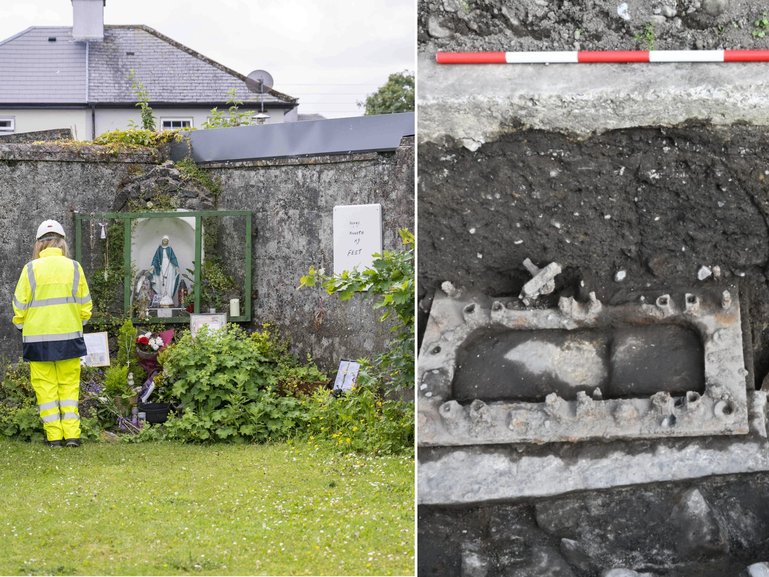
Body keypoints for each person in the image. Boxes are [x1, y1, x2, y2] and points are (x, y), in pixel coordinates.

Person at [12, 219, 92, 447]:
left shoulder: (30, 269)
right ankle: (72, 436)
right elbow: (86, 306)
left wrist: (22, 326)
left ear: (39, 244)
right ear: (62, 243)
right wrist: (76, 322)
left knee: (46, 390)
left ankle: (54, 437)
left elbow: (19, 306)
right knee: (68, 387)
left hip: (37, 341)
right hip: (70, 337)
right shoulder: (75, 267)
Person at [150, 235, 180, 307]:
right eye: (164, 240)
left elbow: (173, 258)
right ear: (162, 241)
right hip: (161, 266)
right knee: (161, 280)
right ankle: (162, 296)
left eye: (166, 241)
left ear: (168, 241)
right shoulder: (159, 249)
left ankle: (168, 296)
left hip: (169, 267)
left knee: (169, 281)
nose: (165, 242)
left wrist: (176, 266)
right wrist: (153, 266)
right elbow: (155, 258)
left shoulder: (170, 249)